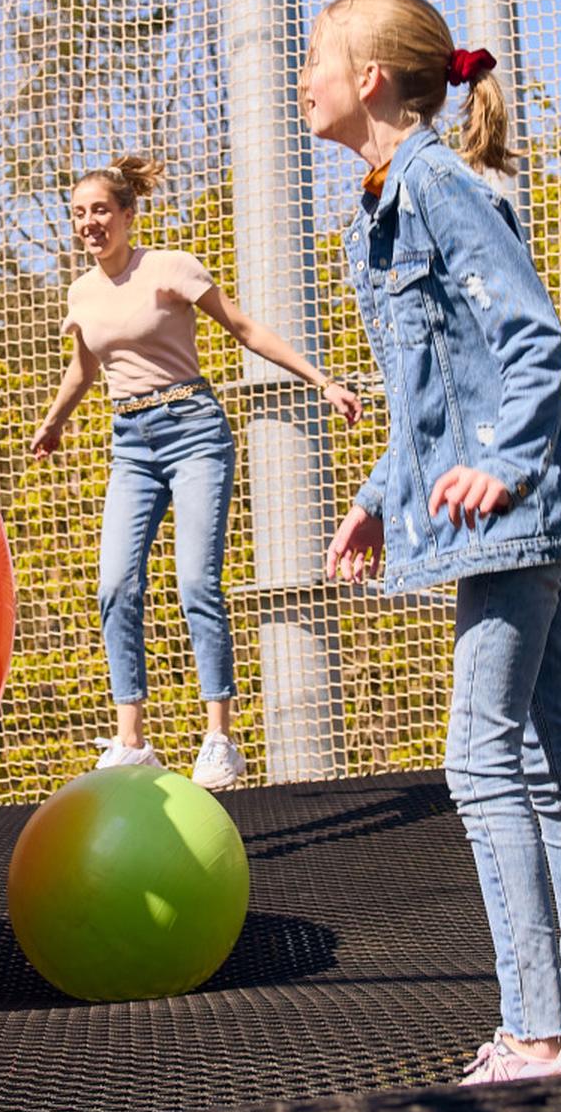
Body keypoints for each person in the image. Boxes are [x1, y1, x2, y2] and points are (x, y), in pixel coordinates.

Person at [307, 0, 561, 1081]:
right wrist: (376, 491)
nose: (299, 76)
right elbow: (433, 386)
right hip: (510, 511)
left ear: (369, 80)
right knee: (548, 757)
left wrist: (499, 465)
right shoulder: (384, 201)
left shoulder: (440, 184)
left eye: (315, 56)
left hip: (514, 512)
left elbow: (531, 340)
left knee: (477, 758)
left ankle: (533, 1032)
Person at [28, 152, 361, 791]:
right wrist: (55, 420)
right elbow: (84, 369)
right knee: (116, 584)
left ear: (128, 213)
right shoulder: (82, 293)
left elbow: (242, 327)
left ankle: (220, 739)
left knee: (193, 583)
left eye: (101, 210)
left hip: (194, 431)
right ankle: (131, 740)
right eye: (78, 215)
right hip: (131, 442)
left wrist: (321, 380)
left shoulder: (169, 268)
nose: (89, 223)